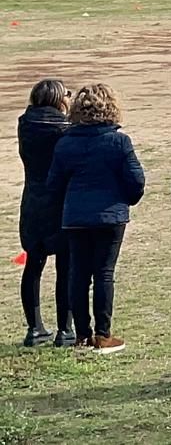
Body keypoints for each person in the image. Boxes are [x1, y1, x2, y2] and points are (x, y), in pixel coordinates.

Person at [47, 84, 144, 354]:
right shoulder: (118, 141)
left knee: (78, 275)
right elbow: (136, 180)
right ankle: (103, 335)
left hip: (76, 216)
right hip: (110, 215)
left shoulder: (65, 143)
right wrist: (125, 199)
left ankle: (81, 335)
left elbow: (53, 184)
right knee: (104, 273)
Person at [18, 79, 72, 347]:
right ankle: (65, 329)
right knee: (66, 267)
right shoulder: (64, 129)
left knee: (33, 265)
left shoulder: (25, 125)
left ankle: (34, 328)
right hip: (60, 202)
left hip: (32, 202)